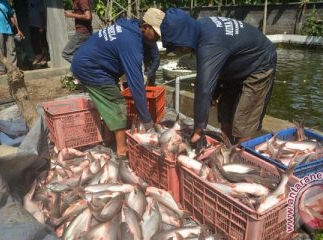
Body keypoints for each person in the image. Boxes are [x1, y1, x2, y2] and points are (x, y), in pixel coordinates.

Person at [160, 8, 277, 148]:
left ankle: (241, 156)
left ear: (184, 35)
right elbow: (208, 76)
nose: (181, 51)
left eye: (179, 47)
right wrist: (214, 93)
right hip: (236, 64)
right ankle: (226, 148)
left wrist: (198, 130)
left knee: (242, 122)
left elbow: (203, 88)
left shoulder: (210, 43)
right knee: (224, 110)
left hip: (259, 64)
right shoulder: (200, 28)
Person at [71, 8, 165, 158]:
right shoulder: (130, 43)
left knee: (110, 97)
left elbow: (153, 57)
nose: (158, 38)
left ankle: (109, 137)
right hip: (89, 68)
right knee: (116, 102)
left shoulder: (131, 27)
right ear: (146, 26)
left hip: (94, 63)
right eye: (156, 33)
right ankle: (121, 150)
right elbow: (136, 86)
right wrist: (147, 122)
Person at [0, 0, 24, 76]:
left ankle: (13, 69)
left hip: (8, 29)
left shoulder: (5, 2)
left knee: (11, 49)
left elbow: (11, 16)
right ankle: (0, 70)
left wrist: (18, 29)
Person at [28, 0, 49, 68]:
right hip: (32, 26)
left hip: (39, 26)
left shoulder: (38, 2)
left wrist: (42, 26)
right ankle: (38, 57)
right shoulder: (28, 2)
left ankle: (44, 58)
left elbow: (41, 13)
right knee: (35, 42)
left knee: (42, 43)